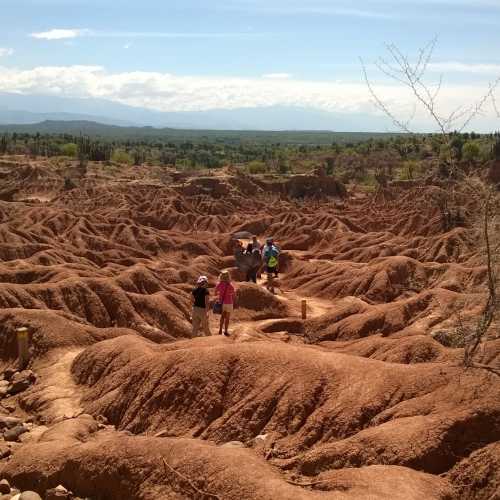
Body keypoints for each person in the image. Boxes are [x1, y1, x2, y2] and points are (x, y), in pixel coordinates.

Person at [215, 270, 236, 336]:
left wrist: (220, 294)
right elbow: (233, 293)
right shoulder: (230, 285)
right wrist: (229, 294)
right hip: (229, 302)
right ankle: (226, 331)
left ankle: (220, 330)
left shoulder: (219, 284)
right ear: (228, 277)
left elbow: (215, 292)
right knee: (227, 318)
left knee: (222, 317)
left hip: (222, 303)